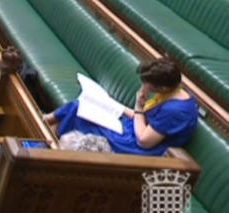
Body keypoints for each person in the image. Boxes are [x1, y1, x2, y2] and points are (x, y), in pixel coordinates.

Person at [43, 57, 198, 156]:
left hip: (137, 147)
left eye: (149, 86)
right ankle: (41, 130)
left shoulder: (176, 112)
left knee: (77, 111)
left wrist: (138, 106)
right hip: (132, 130)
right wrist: (110, 104)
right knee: (79, 107)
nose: (145, 88)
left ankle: (42, 134)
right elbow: (142, 117)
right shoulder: (172, 93)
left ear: (163, 87)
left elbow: (144, 141)